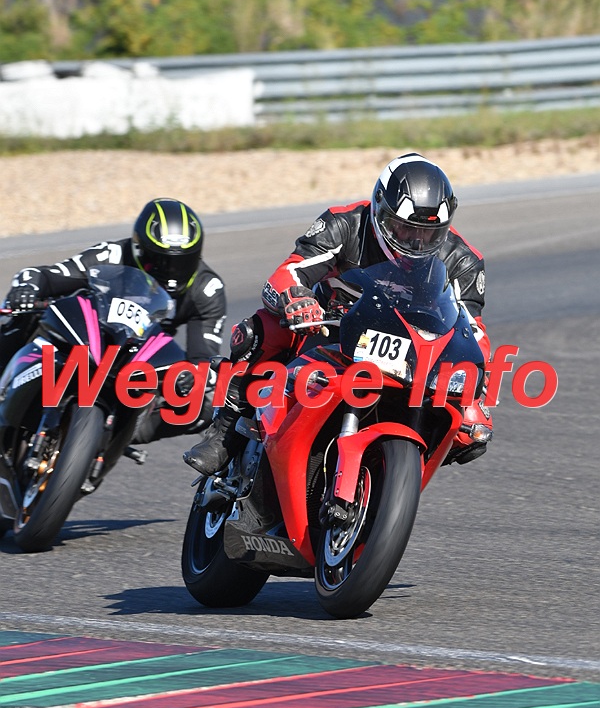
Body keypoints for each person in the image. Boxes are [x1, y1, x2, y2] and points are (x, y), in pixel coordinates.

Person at [183, 152, 493, 475]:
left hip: (412, 352)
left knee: (471, 423)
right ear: (381, 212)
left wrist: (477, 369)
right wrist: (296, 299)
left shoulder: (463, 260)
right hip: (332, 329)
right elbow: (289, 272)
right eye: (403, 229)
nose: (416, 241)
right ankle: (226, 429)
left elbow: (472, 329)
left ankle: (397, 472)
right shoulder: (345, 224)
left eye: (428, 233)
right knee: (264, 329)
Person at [0, 197, 226, 445]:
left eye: (182, 262)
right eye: (159, 260)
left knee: (203, 406)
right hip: (86, 335)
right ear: (139, 249)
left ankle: (121, 436)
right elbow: (46, 275)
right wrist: (27, 288)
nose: (170, 272)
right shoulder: (112, 254)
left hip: (140, 361)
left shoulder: (207, 289)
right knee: (21, 316)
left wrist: (193, 376)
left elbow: (205, 357)